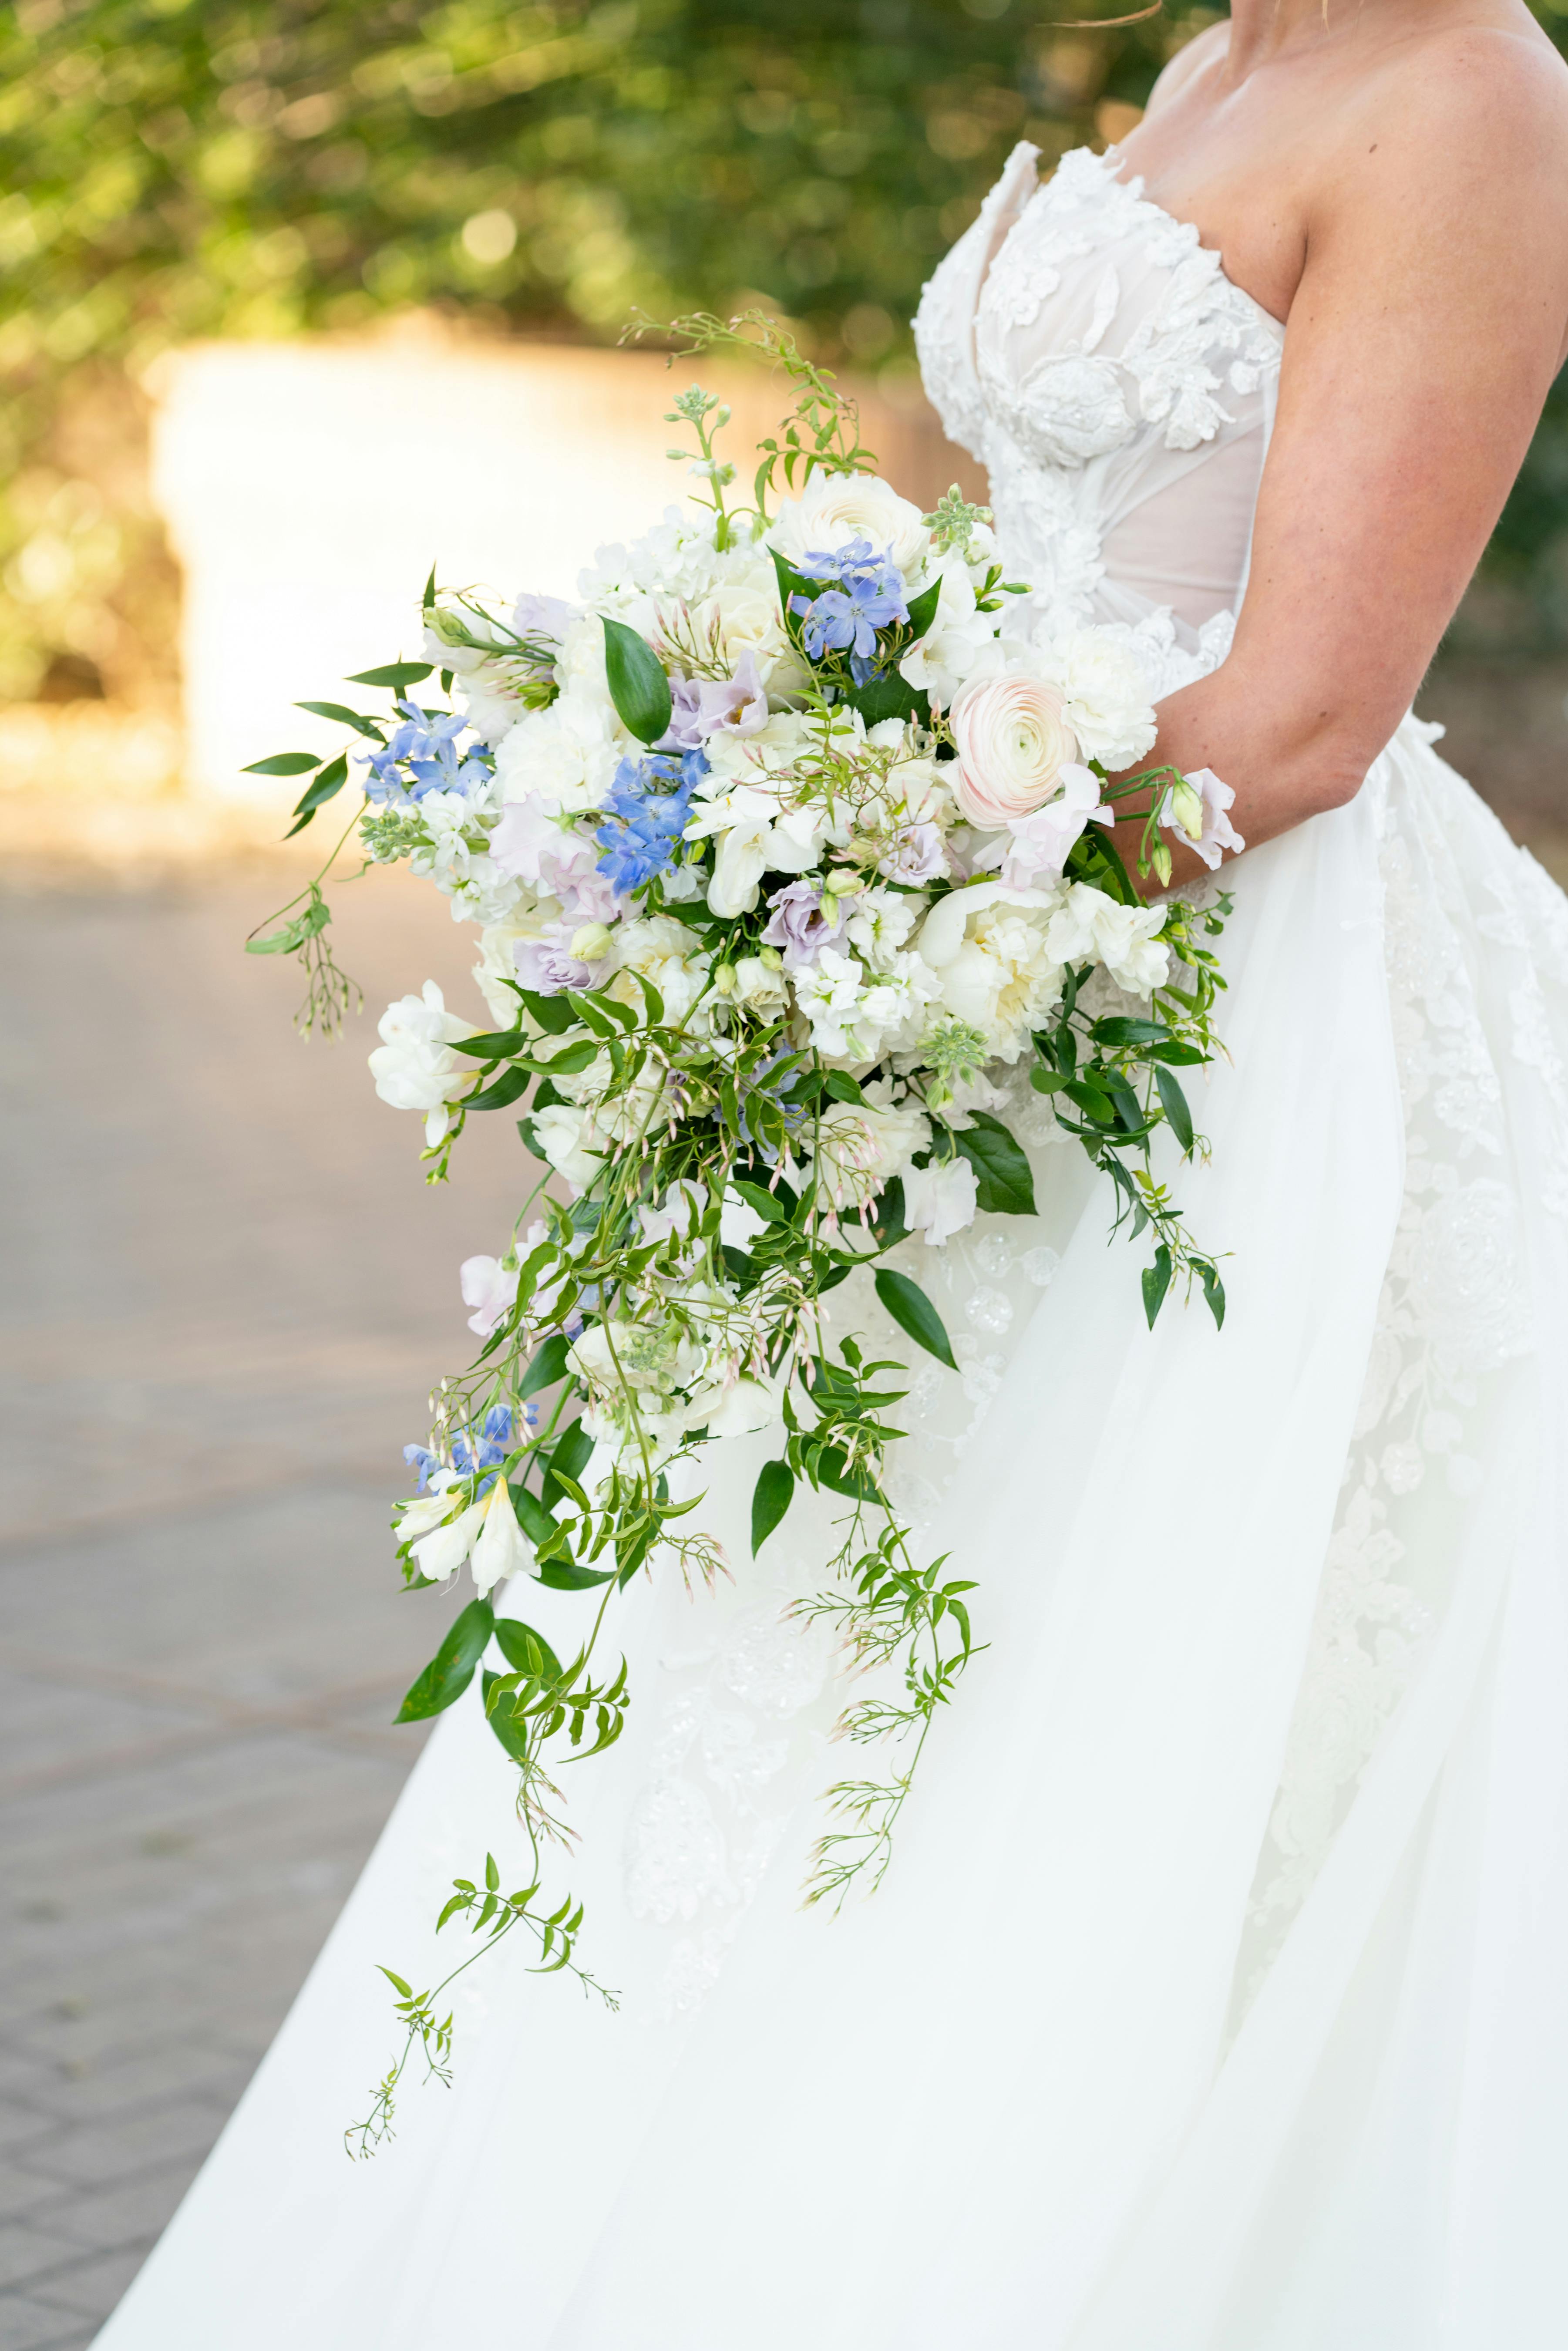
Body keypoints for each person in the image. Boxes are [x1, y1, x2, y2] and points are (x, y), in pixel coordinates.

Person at [96, 2, 1568, 2342]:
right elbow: (1042, 541)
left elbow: (1300, 711)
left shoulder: (1465, 90)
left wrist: (873, 848)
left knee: (1132, 1682)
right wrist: (779, 747)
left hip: (1205, 974)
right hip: (993, 946)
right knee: (803, 1644)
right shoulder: (1215, 56)